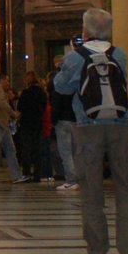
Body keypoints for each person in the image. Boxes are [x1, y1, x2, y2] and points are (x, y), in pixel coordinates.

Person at [53, 9, 128, 254]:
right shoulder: (120, 54)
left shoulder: (76, 57)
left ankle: (97, 253)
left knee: (91, 192)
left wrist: (63, 66)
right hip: (120, 126)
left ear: (85, 31)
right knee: (125, 188)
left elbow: (61, 88)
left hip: (88, 127)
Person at [48, 54, 79, 190]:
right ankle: (78, 179)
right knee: (74, 151)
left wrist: (54, 119)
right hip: (74, 118)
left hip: (62, 119)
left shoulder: (58, 81)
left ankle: (71, 180)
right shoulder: (75, 79)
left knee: (65, 152)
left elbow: (56, 101)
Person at [15, 71, 46, 182]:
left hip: (26, 123)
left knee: (26, 149)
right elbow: (44, 106)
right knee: (37, 148)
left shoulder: (26, 93)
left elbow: (20, 107)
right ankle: (37, 174)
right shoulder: (42, 93)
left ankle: (27, 172)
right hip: (37, 122)